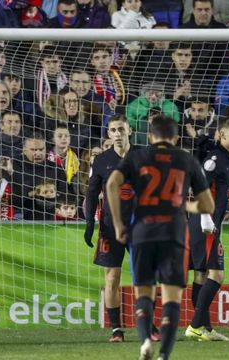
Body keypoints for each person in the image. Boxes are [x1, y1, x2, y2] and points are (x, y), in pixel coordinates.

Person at [106, 114, 214, 360]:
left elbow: (112, 183)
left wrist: (118, 224)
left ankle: (144, 342)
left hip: (142, 232)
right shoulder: (186, 159)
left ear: (150, 136)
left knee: (144, 292)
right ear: (175, 138)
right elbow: (207, 205)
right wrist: (182, 205)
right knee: (171, 297)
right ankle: (164, 354)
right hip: (173, 233)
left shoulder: (137, 156)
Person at [185, 117, 229, 342]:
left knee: (201, 275)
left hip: (209, 223)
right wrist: (205, 219)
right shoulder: (215, 159)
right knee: (217, 274)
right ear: (221, 135)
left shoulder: (226, 158)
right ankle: (195, 325)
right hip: (204, 224)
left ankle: (205, 329)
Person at [83, 115, 137, 342]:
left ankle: (148, 324)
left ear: (130, 131)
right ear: (108, 133)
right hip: (109, 226)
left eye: (121, 129)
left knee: (144, 278)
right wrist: (89, 222)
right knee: (112, 277)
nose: (117, 134)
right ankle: (116, 329)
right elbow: (92, 192)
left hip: (139, 225)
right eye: (113, 130)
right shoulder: (101, 160)